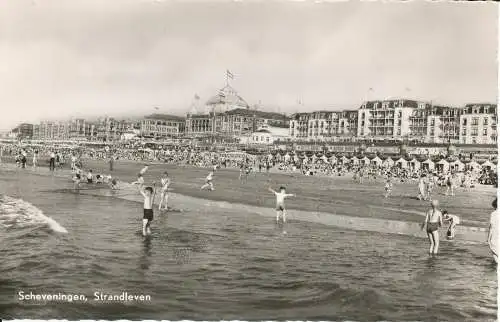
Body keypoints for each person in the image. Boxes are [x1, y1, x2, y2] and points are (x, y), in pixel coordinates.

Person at [488, 198, 498, 263]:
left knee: (494, 249)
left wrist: (488, 238)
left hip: (495, 235)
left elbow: (491, 227)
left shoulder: (494, 213)